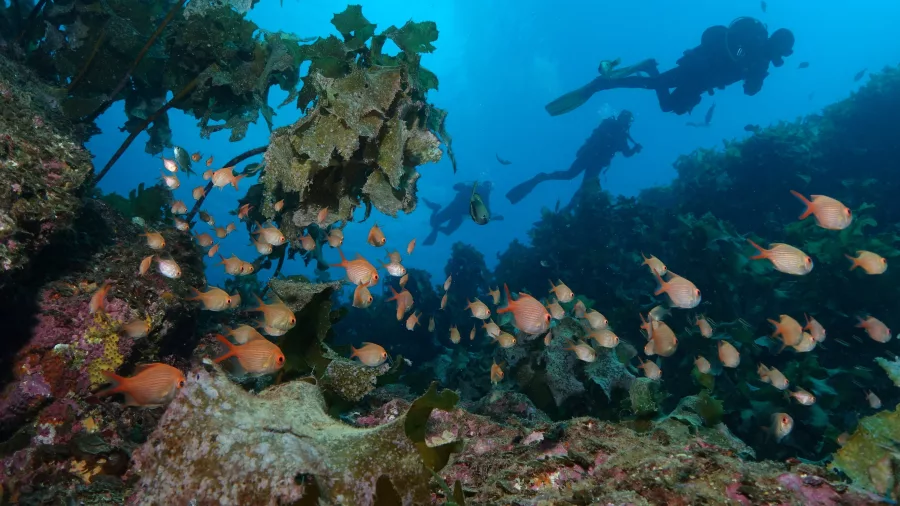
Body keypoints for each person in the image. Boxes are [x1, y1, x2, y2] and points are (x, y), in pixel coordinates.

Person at [545, 18, 794, 116]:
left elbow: (748, 87)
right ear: (779, 44)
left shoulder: (759, 57)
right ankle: (601, 84)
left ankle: (649, 68)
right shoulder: (754, 43)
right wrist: (749, 65)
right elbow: (737, 53)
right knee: (655, 87)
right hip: (698, 70)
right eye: (783, 51)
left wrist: (754, 72)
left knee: (668, 105)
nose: (781, 56)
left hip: (702, 76)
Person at [506, 110, 641, 205]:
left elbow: (626, 153)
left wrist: (634, 149)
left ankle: (565, 204)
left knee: (578, 182)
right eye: (626, 120)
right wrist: (633, 148)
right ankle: (544, 180)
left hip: (593, 159)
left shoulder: (619, 134)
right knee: (574, 179)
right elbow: (622, 150)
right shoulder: (611, 127)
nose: (626, 122)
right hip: (592, 158)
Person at [423, 181, 503, 245]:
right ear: (489, 187)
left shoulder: (471, 186)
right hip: (460, 213)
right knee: (448, 231)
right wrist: (494, 217)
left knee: (435, 224)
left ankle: (436, 210)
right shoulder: (485, 192)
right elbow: (486, 209)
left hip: (454, 207)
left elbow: (455, 187)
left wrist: (465, 185)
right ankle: (436, 221)